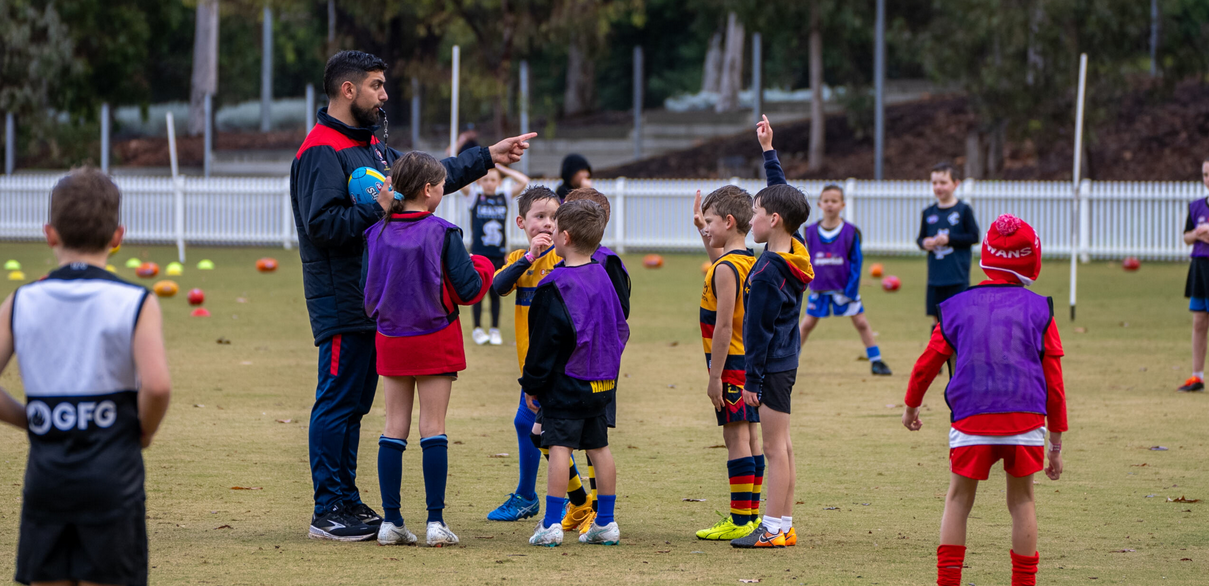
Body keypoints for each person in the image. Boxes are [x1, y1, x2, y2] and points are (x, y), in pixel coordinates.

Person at [291, 50, 534, 541]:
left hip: (376, 303)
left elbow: (427, 176)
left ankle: (348, 500)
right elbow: (321, 227)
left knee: (357, 404)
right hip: (342, 298)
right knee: (338, 401)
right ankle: (327, 508)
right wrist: (377, 207)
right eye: (377, 86)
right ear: (348, 90)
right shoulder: (321, 149)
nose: (384, 95)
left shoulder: (371, 147)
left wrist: (486, 156)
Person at [0, 169, 172, 586]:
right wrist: (143, 431)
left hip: (48, 484)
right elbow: (158, 385)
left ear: (49, 234)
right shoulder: (136, 301)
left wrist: (31, 418)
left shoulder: (21, 301)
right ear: (118, 236)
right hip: (113, 482)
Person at [901, 214, 1067, 586]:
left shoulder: (955, 306)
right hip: (1025, 421)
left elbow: (927, 364)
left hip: (971, 418)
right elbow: (1054, 385)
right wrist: (1055, 442)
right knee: (1022, 502)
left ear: (985, 257)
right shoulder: (1042, 310)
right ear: (1032, 260)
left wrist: (911, 406)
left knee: (958, 500)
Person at [365, 152, 495, 547]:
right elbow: (470, 289)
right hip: (434, 335)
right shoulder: (443, 232)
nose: (444, 189)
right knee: (433, 428)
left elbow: (367, 294)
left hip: (390, 337)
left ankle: (391, 523)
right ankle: (435, 522)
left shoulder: (376, 232)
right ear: (428, 190)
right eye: (441, 185)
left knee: (393, 428)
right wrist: (485, 265)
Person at [524, 200, 630, 547]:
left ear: (564, 237)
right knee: (599, 448)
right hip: (602, 383)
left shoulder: (554, 285)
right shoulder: (604, 275)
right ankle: (606, 522)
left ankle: (551, 525)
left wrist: (533, 386)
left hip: (566, 384)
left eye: (553, 229)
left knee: (559, 448)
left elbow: (542, 345)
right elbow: (620, 329)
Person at [487, 187, 593, 528]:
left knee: (546, 431)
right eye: (539, 217)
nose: (547, 224)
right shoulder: (521, 258)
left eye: (553, 217)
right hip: (532, 368)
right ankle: (541, 497)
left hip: (557, 368)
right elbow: (498, 286)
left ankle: (563, 500)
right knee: (529, 426)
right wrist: (529, 257)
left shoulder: (566, 257)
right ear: (522, 222)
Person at [730, 183, 814, 549]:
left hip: (773, 366)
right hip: (786, 360)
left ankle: (773, 528)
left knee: (775, 448)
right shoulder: (796, 251)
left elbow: (758, 332)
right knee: (784, 445)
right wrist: (769, 154)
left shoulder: (766, 273)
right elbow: (784, 198)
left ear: (775, 219)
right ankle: (784, 524)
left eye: (756, 211)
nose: (752, 217)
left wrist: (752, 381)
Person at [691, 184, 762, 541]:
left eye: (712, 221)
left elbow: (722, 326)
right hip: (750, 362)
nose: (708, 228)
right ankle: (750, 515)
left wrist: (714, 376)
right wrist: (702, 231)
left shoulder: (724, 269)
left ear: (729, 221)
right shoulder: (748, 261)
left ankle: (738, 519)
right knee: (751, 436)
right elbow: (721, 262)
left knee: (735, 438)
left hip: (730, 364)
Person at [560, 187, 631, 531]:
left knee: (592, 441)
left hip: (593, 368)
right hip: (563, 368)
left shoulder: (607, 263)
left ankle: (597, 512)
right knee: (539, 434)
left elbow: (619, 317)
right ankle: (580, 502)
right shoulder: (562, 259)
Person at [799, 185, 893, 376]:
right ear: (819, 204)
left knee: (861, 323)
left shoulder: (850, 231)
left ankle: (876, 361)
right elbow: (804, 259)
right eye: (826, 201)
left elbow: (857, 263)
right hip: (820, 289)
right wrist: (809, 284)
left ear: (842, 204)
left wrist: (851, 290)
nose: (830, 205)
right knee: (807, 324)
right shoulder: (809, 231)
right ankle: (790, 359)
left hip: (844, 289)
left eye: (834, 201)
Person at [462, 165, 530, 347]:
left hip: (498, 254)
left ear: (499, 182)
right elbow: (462, 182)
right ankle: (477, 329)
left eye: (493, 180)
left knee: (495, 293)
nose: (489, 183)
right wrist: (479, 169)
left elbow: (524, 181)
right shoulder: (474, 197)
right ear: (479, 181)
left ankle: (494, 330)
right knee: (478, 292)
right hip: (479, 254)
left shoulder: (504, 197)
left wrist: (501, 168)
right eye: (485, 179)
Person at [917, 162, 980, 325]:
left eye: (943, 182)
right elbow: (920, 238)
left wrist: (949, 239)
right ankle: (936, 350)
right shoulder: (928, 212)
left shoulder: (963, 210)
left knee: (958, 318)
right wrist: (924, 243)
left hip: (957, 277)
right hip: (935, 278)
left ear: (955, 184)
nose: (938, 187)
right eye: (934, 183)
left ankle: (959, 351)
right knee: (937, 319)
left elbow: (974, 236)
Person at [1178, 156, 1209, 392]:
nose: (1208, 179)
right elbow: (1186, 236)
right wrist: (1197, 234)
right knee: (1199, 321)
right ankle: (1197, 376)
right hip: (1200, 266)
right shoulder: (1196, 205)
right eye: (1205, 174)